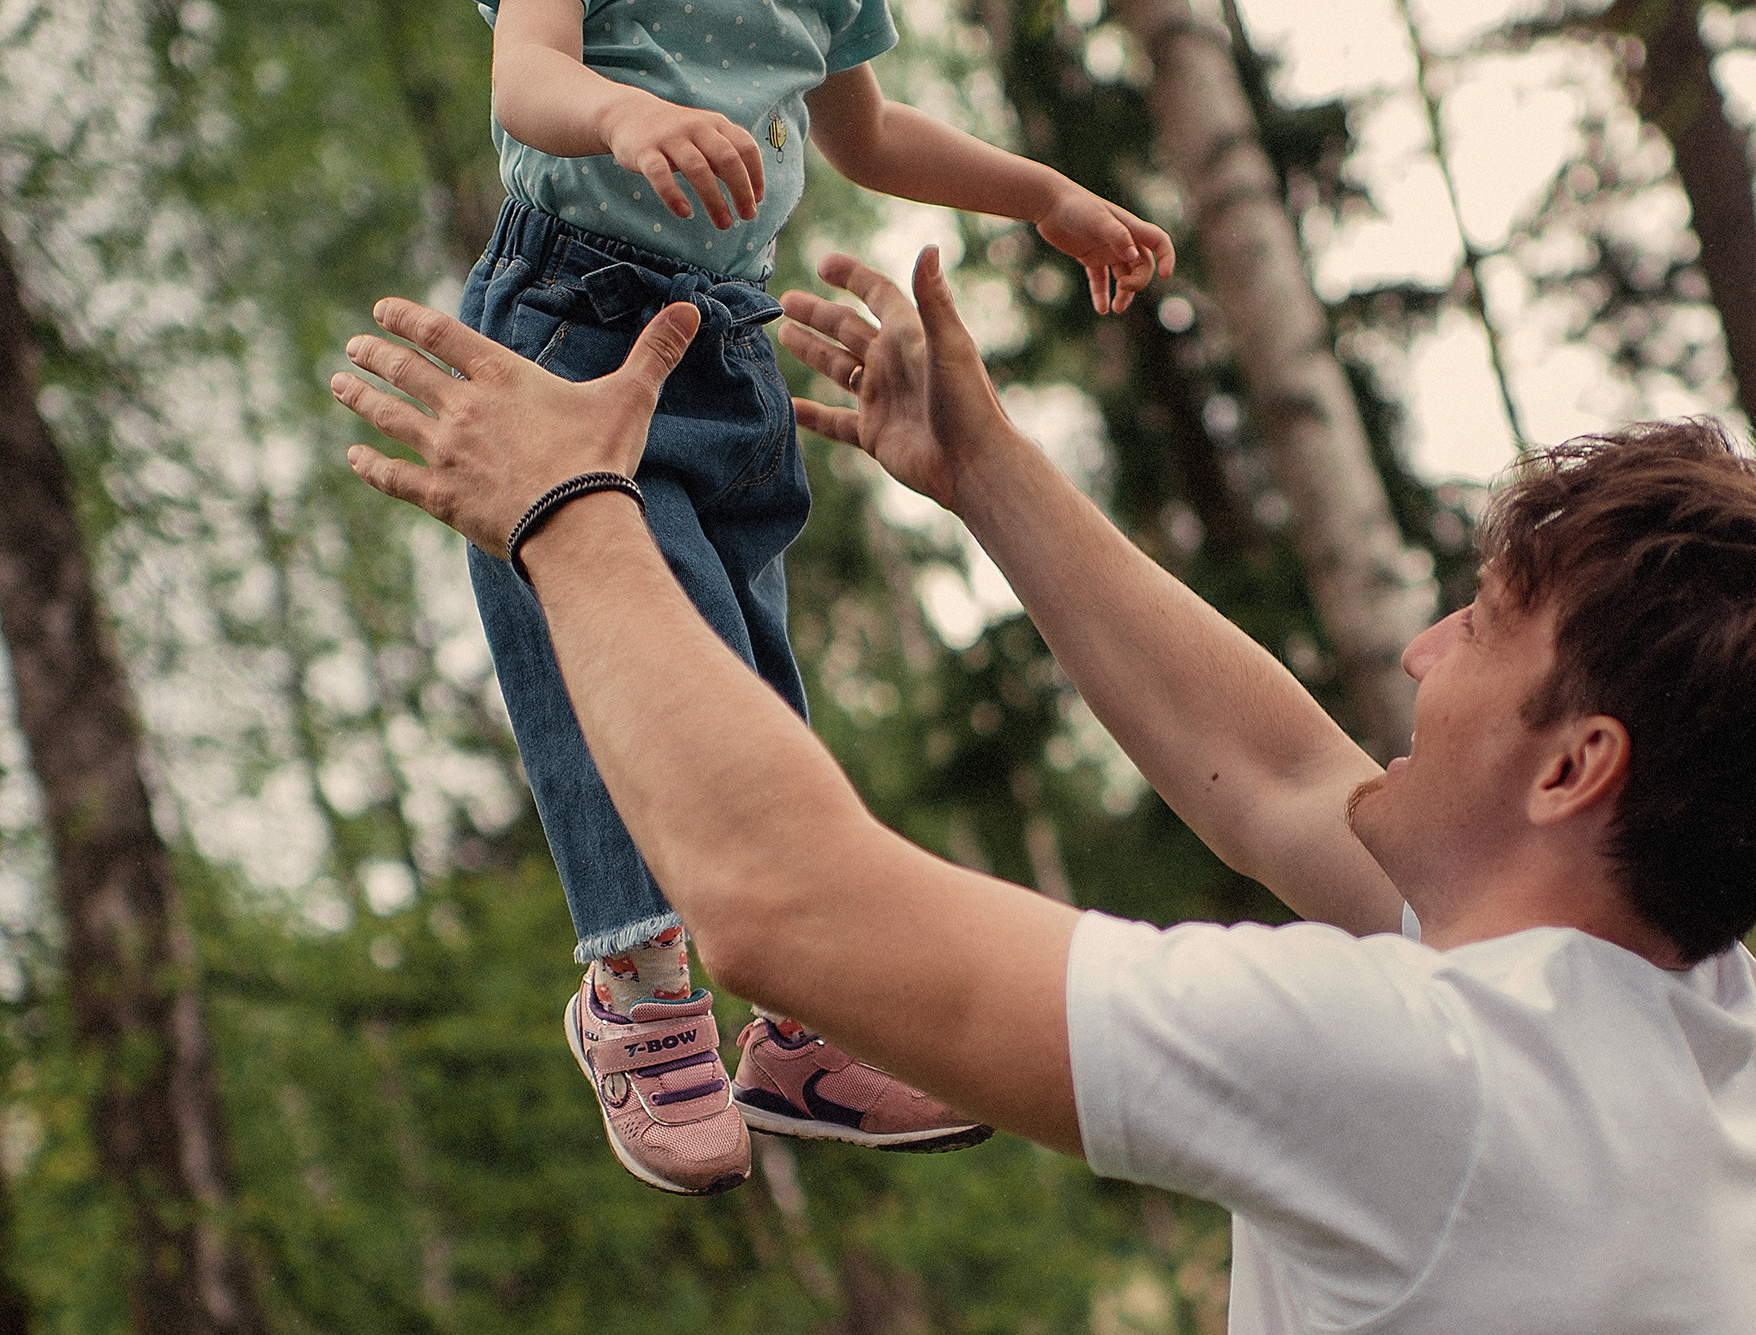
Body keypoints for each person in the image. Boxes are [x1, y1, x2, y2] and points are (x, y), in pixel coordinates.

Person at [332, 245, 1756, 1329]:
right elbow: (1276, 776)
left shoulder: (1437, 1080)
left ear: (1576, 768)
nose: (1422, 648)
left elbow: (789, 905)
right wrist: (987, 471)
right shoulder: (1683, 1015)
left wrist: (566, 513)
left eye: (1484, 628)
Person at [455, 0, 1176, 1196]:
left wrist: (1042, 194)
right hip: (573, 320)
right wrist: (622, 113)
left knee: (749, 677)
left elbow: (868, 133)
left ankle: (802, 1020)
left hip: (729, 340)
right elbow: (524, 77)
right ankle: (635, 983)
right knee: (621, 652)